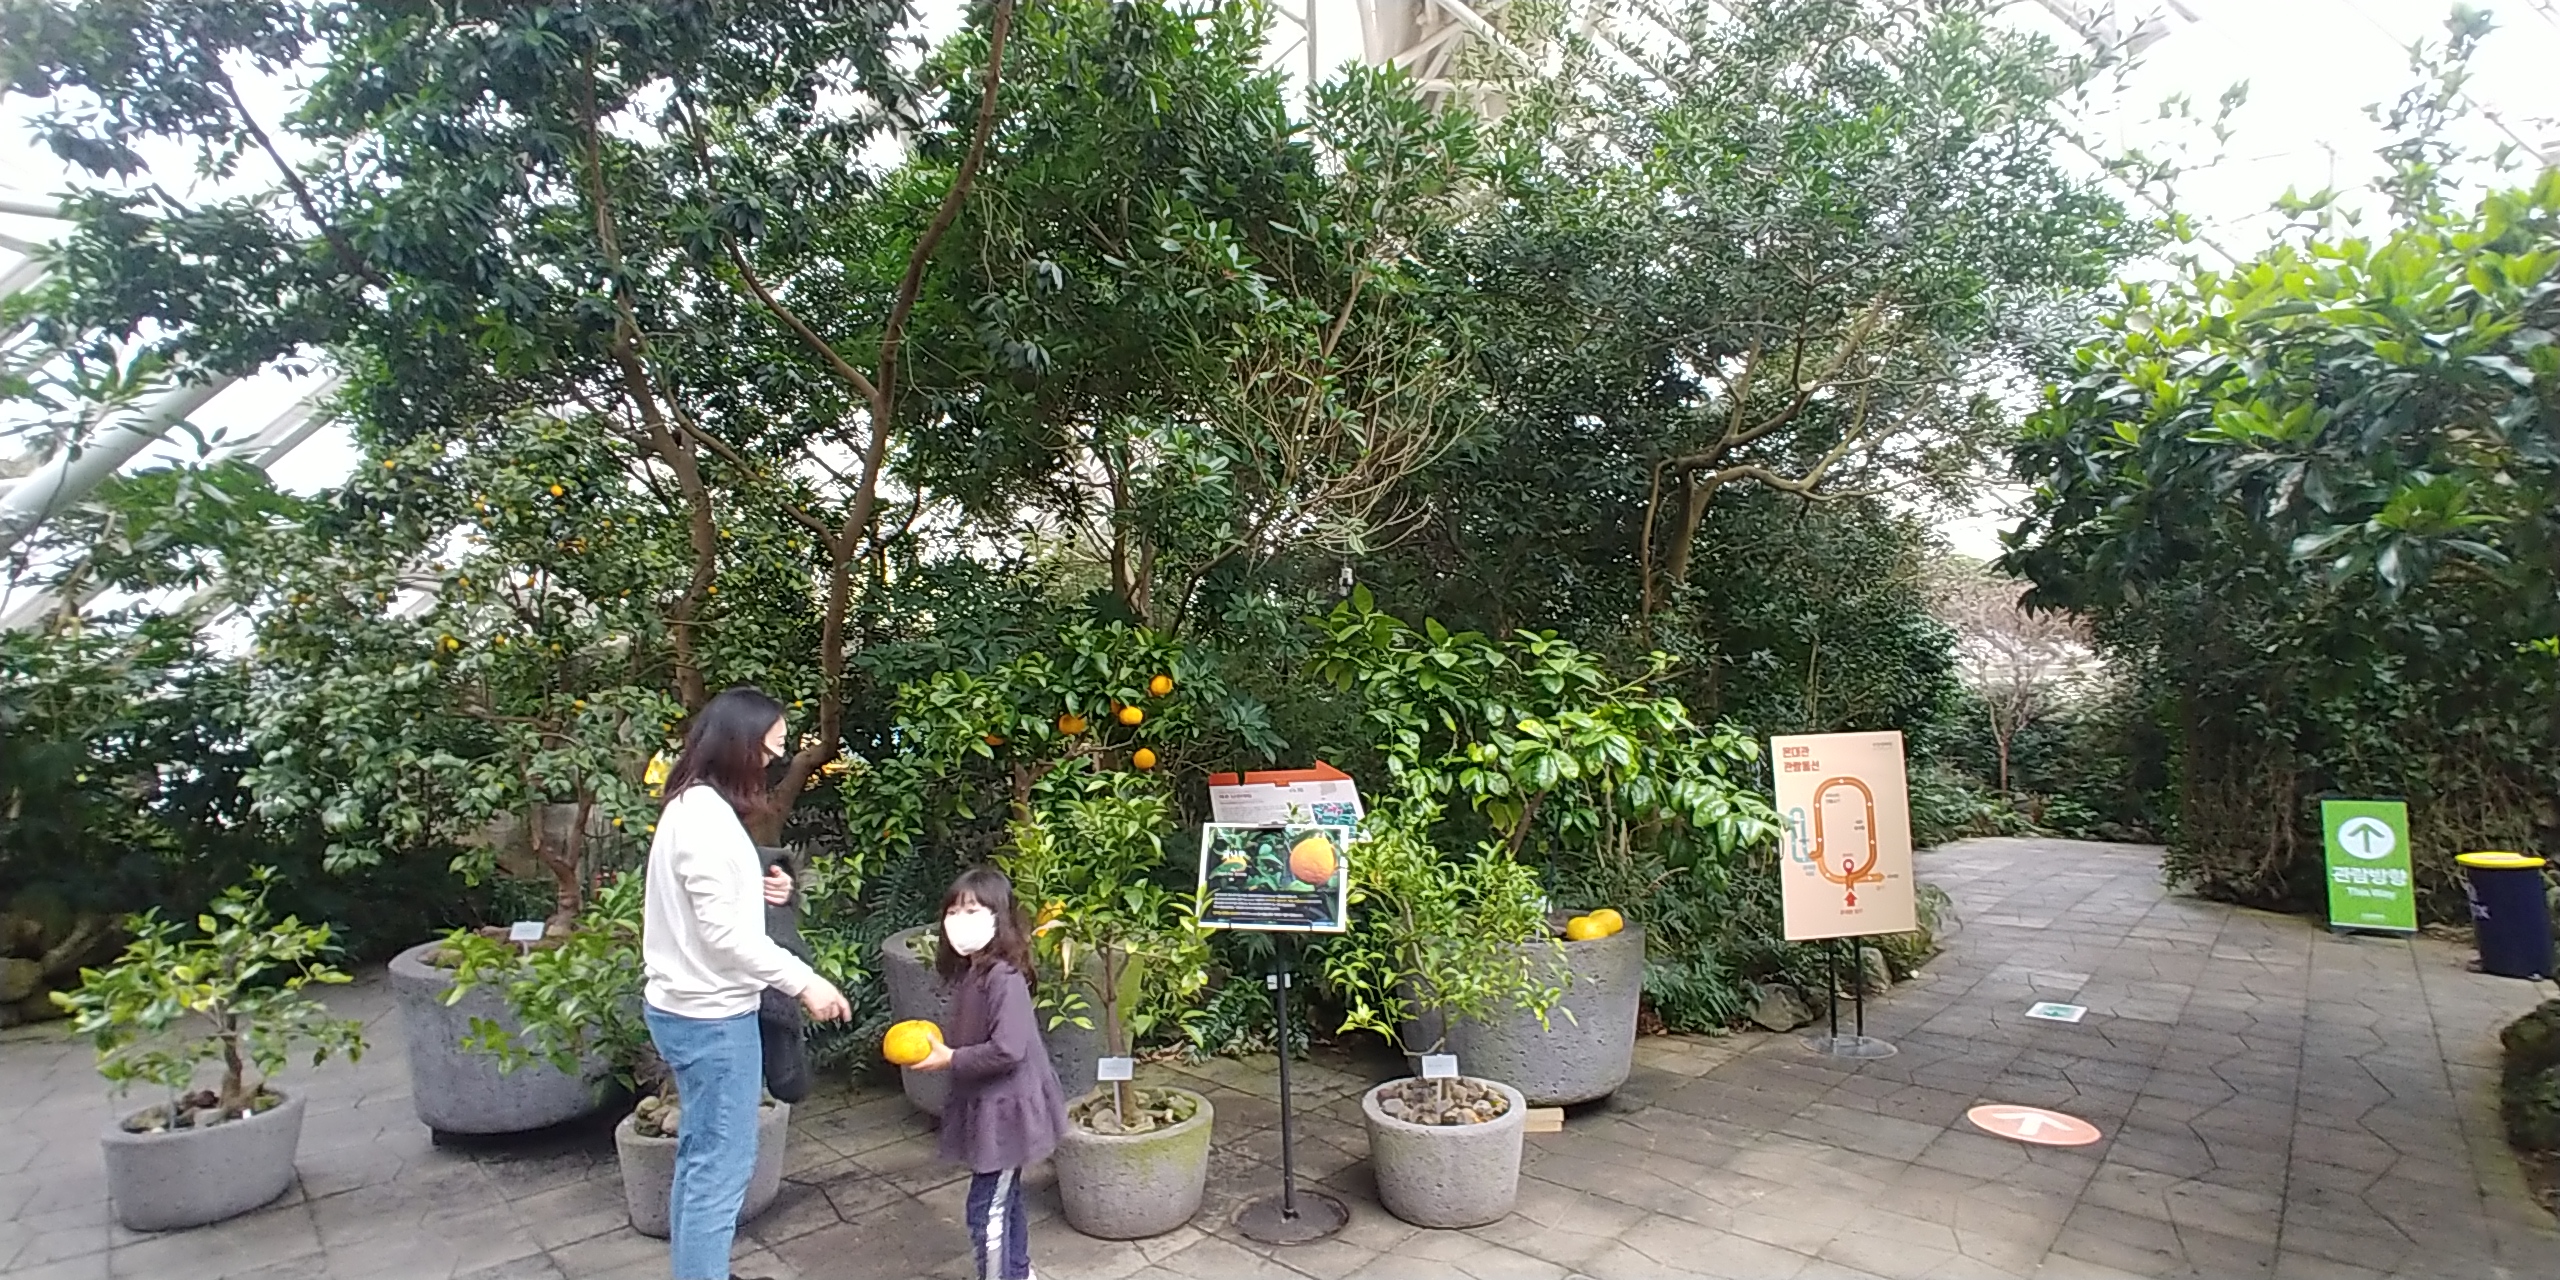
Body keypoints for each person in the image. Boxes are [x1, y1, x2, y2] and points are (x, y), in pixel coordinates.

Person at [643, 686, 852, 1280]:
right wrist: (805, 982)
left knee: (701, 1156)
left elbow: (711, 903)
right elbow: (723, 937)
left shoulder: (695, 805)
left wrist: (764, 889)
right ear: (740, 746)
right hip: (711, 1019)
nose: (775, 760)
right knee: (721, 1168)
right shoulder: (704, 822)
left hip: (689, 1008)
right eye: (770, 747)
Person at [911, 866, 1068, 1280]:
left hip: (1008, 1112)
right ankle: (1018, 1272)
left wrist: (951, 1059)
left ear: (999, 918)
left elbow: (1008, 1049)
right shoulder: (974, 971)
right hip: (993, 1109)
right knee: (1003, 1199)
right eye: (953, 912)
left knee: (987, 1210)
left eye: (973, 911)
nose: (959, 921)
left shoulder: (1003, 977)